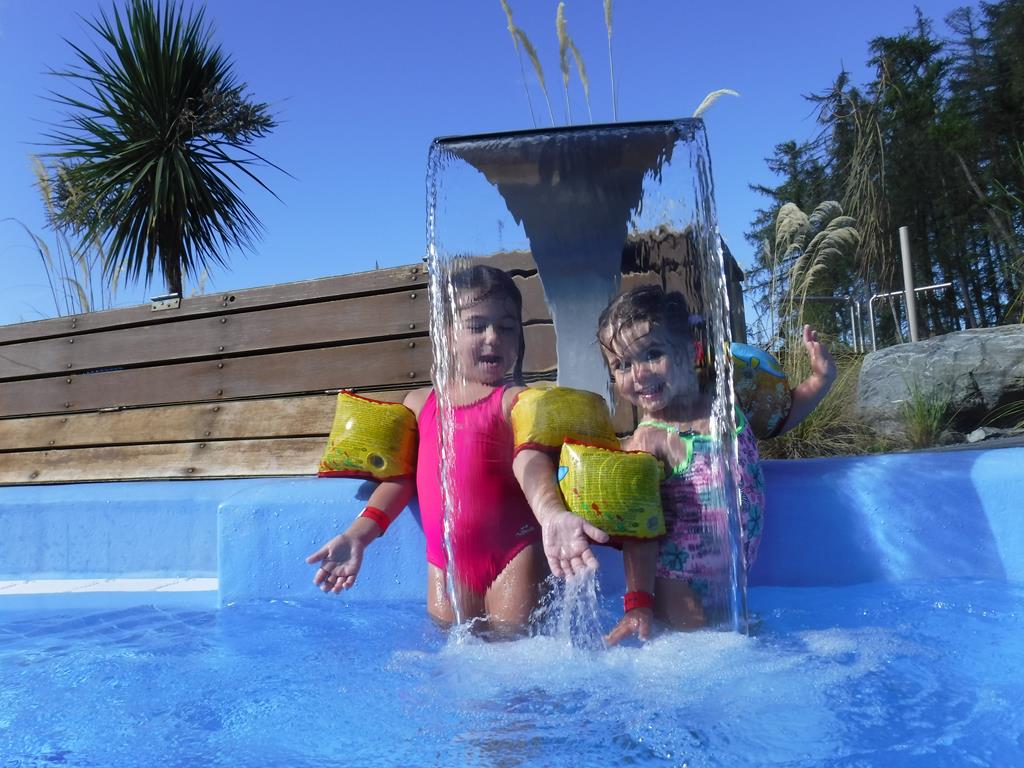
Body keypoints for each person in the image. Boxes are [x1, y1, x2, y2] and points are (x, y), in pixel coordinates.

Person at [305, 265, 548, 637]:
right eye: (477, 325)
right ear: (447, 334)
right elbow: (401, 481)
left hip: (514, 558)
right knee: (451, 667)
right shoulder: (419, 405)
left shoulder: (513, 402)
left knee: (514, 664)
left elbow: (534, 463)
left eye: (507, 327)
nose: (493, 337)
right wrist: (358, 536)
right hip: (445, 565)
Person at [594, 285, 837, 644]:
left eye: (652, 354)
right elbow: (638, 532)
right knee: (708, 659)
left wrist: (820, 380)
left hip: (731, 579)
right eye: (622, 365)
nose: (639, 374)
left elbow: (780, 419)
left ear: (688, 352)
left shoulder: (726, 404)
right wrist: (638, 602)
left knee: (742, 650)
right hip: (677, 580)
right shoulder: (650, 439)